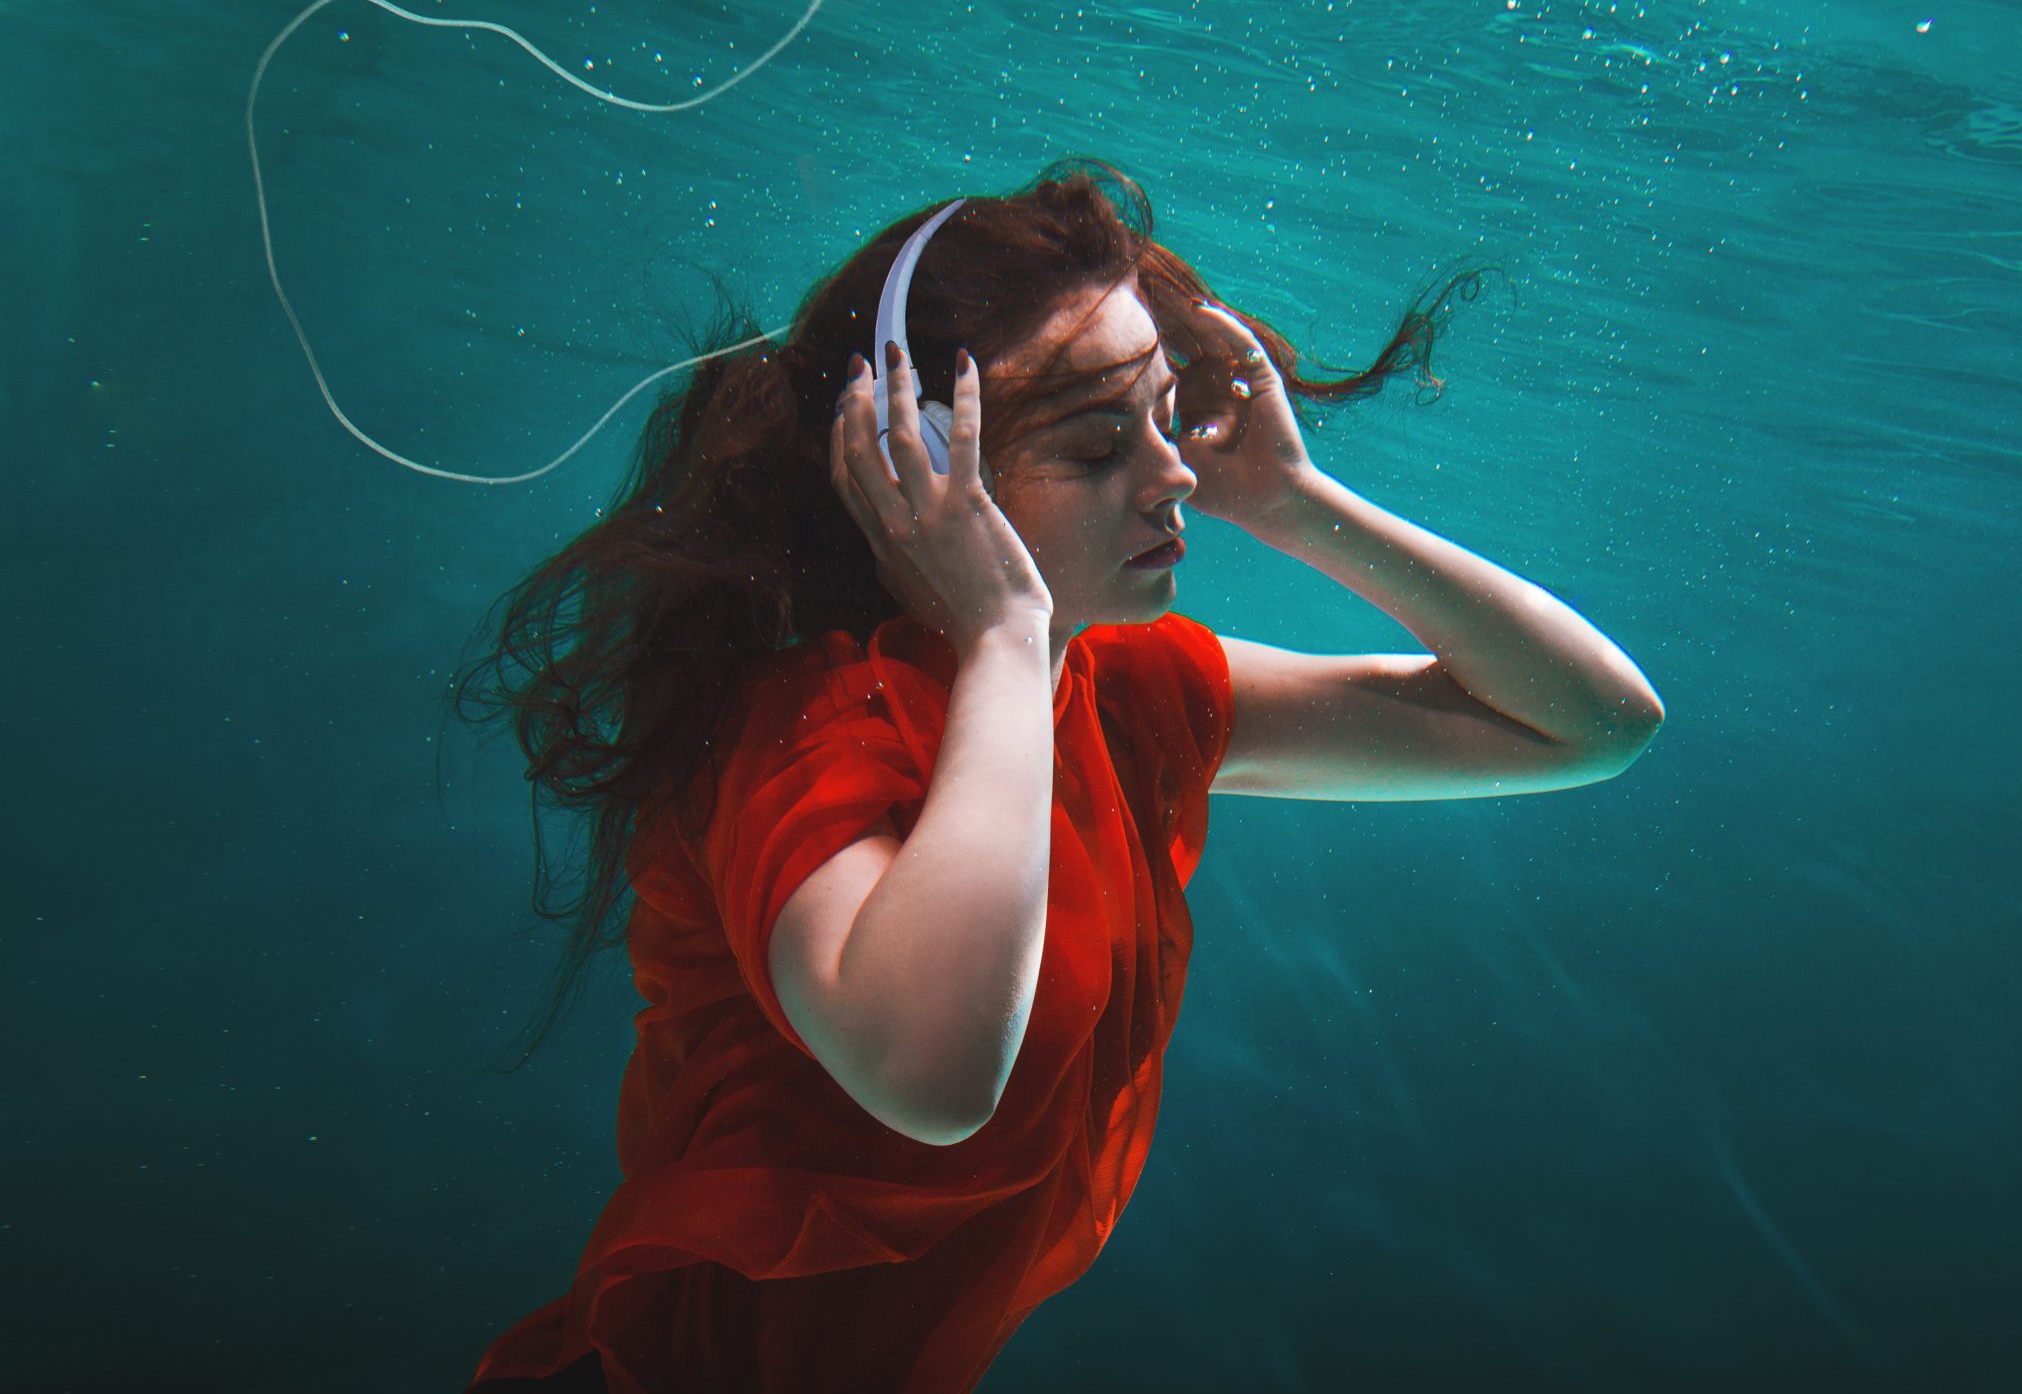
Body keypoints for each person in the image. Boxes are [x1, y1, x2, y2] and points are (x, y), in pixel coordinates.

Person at [458, 160, 1663, 1393]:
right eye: (1099, 444)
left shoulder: (1115, 694)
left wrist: (1299, 505)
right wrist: (997, 637)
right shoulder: (807, 735)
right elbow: (930, 1073)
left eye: (1163, 412)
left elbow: (1590, 725)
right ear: (919, 465)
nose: (1174, 471)